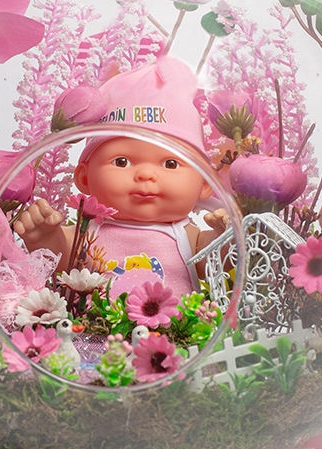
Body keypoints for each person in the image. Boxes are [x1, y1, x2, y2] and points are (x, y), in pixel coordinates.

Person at [14, 57, 227, 297]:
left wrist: (225, 239)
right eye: (121, 162)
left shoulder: (189, 239)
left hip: (174, 323)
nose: (146, 174)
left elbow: (216, 267)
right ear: (84, 178)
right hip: (92, 322)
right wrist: (46, 237)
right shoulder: (86, 234)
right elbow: (64, 264)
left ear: (205, 182)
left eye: (170, 164)